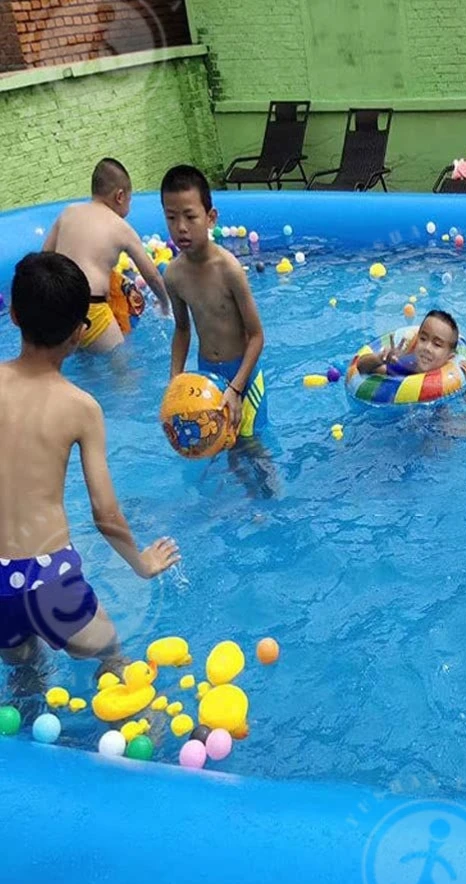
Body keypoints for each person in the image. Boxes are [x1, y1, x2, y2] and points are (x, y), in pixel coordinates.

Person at [0, 253, 179, 670]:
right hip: (47, 579)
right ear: (80, 334)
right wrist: (141, 562)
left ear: (12, 315)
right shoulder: (81, 407)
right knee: (112, 658)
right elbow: (105, 512)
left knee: (25, 672)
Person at [161, 165, 267, 439]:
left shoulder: (228, 270)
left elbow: (256, 336)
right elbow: (183, 329)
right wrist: (175, 380)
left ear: (210, 218)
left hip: (244, 374)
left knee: (254, 447)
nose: (180, 227)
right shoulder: (173, 275)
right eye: (171, 217)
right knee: (214, 448)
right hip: (206, 375)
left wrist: (236, 388)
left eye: (190, 217)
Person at [42, 157, 170, 354]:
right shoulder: (121, 228)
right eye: (130, 199)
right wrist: (165, 304)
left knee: (85, 365)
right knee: (124, 375)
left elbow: (44, 259)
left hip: (57, 305)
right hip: (90, 306)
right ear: (120, 196)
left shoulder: (68, 212)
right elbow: (152, 275)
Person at [355, 310, 466, 393]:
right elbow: (361, 367)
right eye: (423, 338)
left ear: (450, 356)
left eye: (437, 344)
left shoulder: (455, 375)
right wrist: (379, 358)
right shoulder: (407, 365)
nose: (427, 347)